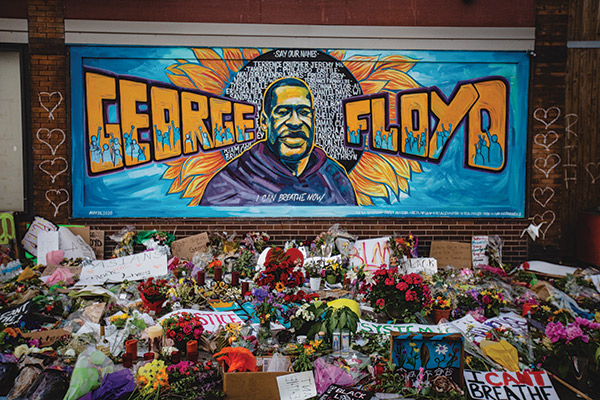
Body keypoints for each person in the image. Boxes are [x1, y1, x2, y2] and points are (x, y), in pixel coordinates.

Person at [200, 77, 357, 206]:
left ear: (313, 118)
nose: (295, 122)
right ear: (264, 121)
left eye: (303, 112)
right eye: (283, 112)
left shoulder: (334, 178)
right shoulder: (230, 182)